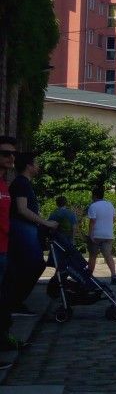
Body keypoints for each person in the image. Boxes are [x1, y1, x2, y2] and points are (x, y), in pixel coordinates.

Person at [6, 152, 57, 311]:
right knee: (34, 264)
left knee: (28, 265)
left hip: (25, 229)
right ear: (29, 166)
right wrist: (45, 222)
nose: (38, 166)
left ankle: (15, 302)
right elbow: (22, 209)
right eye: (36, 163)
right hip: (22, 228)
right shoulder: (21, 183)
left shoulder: (23, 183)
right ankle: (15, 302)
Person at [0, 136, 20, 353]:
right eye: (5, 153)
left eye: (12, 154)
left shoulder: (5, 184)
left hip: (4, 249)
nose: (10, 157)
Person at [86, 186, 116, 284]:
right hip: (108, 235)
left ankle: (89, 276)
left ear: (94, 195)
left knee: (93, 256)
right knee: (108, 255)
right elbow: (113, 219)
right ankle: (113, 275)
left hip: (96, 235)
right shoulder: (110, 205)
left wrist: (90, 234)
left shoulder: (93, 206)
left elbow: (92, 222)